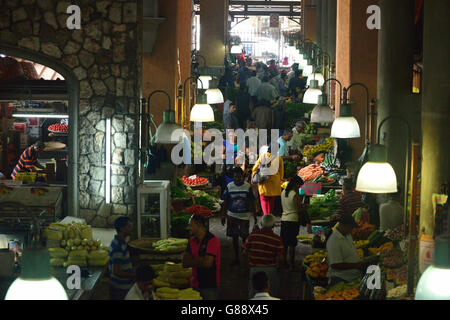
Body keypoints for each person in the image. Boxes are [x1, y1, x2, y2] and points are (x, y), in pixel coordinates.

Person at [221, 167, 256, 266]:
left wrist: (254, 215)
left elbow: (252, 201)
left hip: (245, 216)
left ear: (243, 176)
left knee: (245, 238)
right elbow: (225, 202)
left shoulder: (247, 186)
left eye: (239, 177)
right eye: (236, 177)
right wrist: (223, 215)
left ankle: (244, 256)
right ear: (233, 177)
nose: (238, 179)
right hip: (232, 216)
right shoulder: (229, 186)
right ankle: (236, 258)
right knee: (234, 238)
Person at [243, 214, 284, 298]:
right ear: (273, 225)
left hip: (254, 269)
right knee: (271, 294)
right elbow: (281, 258)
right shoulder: (277, 239)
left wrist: (245, 267)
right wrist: (279, 268)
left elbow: (245, 252)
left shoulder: (252, 236)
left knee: (253, 294)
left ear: (261, 223)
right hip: (271, 270)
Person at [183, 214, 221, 300]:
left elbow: (207, 263)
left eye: (191, 225)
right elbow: (185, 263)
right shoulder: (192, 240)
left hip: (210, 284)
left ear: (199, 224)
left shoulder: (212, 240)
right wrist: (201, 260)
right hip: (194, 284)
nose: (189, 228)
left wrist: (192, 261)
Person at [326, 215, 368, 286]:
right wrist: (356, 265)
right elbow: (335, 265)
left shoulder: (347, 235)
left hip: (354, 277)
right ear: (343, 225)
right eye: (350, 227)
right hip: (341, 279)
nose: (352, 230)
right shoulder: (334, 241)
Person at [281, 176, 312, 271]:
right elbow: (298, 209)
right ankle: (291, 265)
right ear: (295, 184)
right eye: (299, 186)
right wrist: (306, 207)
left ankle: (283, 263)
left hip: (284, 219)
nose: (299, 188)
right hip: (293, 220)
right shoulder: (294, 194)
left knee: (284, 243)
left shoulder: (283, 192)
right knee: (292, 244)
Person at [108, 216, 135, 300]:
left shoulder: (120, 242)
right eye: (129, 226)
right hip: (120, 288)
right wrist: (134, 275)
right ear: (122, 229)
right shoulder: (118, 247)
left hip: (121, 286)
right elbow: (116, 271)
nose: (131, 229)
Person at [252, 147, 284, 215]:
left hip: (264, 182)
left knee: (264, 199)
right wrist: (280, 179)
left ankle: (266, 216)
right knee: (271, 200)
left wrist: (253, 176)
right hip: (274, 183)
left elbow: (255, 168)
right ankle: (269, 216)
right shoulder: (279, 158)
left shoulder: (262, 156)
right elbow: (281, 172)